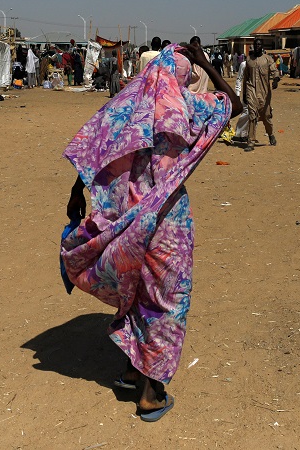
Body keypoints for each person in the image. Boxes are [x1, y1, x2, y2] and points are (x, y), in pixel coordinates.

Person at [60, 42, 241, 422]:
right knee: (167, 301)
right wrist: (207, 63)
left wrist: (78, 191)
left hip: (129, 216)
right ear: (184, 76)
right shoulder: (191, 107)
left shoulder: (130, 106)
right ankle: (151, 393)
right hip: (167, 221)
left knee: (137, 291)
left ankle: (130, 371)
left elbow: (98, 143)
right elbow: (235, 104)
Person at [241, 39, 279, 151]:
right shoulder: (249, 60)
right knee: (252, 115)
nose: (257, 46)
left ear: (262, 46)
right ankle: (251, 142)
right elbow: (245, 78)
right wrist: (244, 93)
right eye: (255, 44)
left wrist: (276, 80)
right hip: (251, 89)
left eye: (259, 44)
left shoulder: (268, 59)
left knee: (266, 116)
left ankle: (271, 134)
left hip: (264, 92)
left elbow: (274, 71)